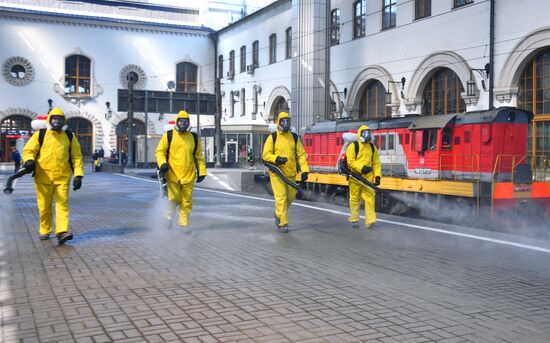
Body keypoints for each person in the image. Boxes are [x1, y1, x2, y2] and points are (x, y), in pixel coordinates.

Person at [22, 108, 84, 244]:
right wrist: (29, 160)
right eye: (55, 119)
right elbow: (28, 150)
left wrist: (78, 175)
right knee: (44, 207)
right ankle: (45, 230)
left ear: (64, 121)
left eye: (60, 119)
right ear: (50, 120)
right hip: (42, 177)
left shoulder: (69, 136)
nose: (57, 121)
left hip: (62, 178)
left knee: (62, 205)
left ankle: (62, 232)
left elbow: (76, 157)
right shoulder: (41, 134)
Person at [155, 110, 207, 229]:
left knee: (186, 201)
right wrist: (162, 164)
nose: (183, 124)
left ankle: (183, 224)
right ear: (177, 122)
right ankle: (168, 217)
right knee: (174, 199)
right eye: (181, 121)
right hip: (172, 174)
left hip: (189, 175)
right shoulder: (169, 135)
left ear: (188, 123)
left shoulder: (193, 137)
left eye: (185, 121)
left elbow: (198, 156)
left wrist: (202, 172)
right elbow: (160, 151)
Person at [262, 112, 309, 233]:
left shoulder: (294, 137)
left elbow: (301, 155)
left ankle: (278, 213)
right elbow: (265, 155)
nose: (286, 123)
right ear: (279, 122)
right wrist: (277, 159)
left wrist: (305, 170)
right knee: (281, 197)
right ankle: (283, 223)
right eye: (283, 121)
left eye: (288, 121)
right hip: (277, 174)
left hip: (290, 174)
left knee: (291, 197)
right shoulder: (273, 137)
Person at [346, 125, 381, 229]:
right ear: (360, 133)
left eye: (369, 133)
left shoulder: (372, 147)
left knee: (370, 199)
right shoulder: (353, 146)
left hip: (368, 178)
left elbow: (376, 163)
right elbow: (350, 162)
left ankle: (370, 222)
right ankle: (354, 219)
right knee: (355, 199)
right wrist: (362, 168)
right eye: (365, 133)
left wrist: (378, 175)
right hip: (355, 177)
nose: (368, 135)